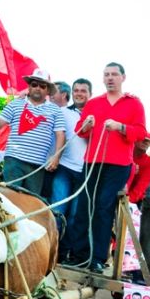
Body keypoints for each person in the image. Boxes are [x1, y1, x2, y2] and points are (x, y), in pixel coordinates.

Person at [64, 62, 146, 273]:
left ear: (123, 78)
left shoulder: (134, 103)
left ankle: (98, 258)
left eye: (114, 74)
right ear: (103, 79)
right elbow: (79, 131)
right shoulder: (94, 103)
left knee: (103, 208)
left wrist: (121, 127)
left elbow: (140, 133)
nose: (110, 78)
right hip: (92, 161)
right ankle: (79, 255)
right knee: (84, 207)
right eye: (106, 75)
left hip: (118, 165)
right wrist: (88, 125)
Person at [0, 68, 65, 195]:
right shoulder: (15, 104)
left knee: (31, 203)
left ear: (47, 90)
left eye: (42, 86)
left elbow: (60, 134)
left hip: (38, 165)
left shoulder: (56, 110)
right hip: (14, 160)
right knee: (10, 199)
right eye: (34, 84)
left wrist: (56, 157)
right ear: (29, 86)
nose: (38, 88)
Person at [51, 79, 92, 258]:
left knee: (75, 215)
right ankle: (50, 248)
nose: (79, 93)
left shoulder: (96, 114)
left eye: (83, 90)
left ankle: (63, 252)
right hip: (64, 167)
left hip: (84, 170)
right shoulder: (62, 112)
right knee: (57, 210)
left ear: (90, 93)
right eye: (76, 90)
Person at [41, 81, 72, 199]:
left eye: (54, 92)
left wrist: (56, 158)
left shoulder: (72, 114)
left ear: (64, 95)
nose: (50, 94)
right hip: (43, 164)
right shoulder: (45, 110)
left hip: (64, 167)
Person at [126, 132, 150, 205]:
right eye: (143, 139)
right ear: (135, 140)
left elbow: (142, 186)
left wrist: (128, 200)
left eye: (149, 141)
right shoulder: (124, 154)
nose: (146, 142)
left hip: (133, 200)